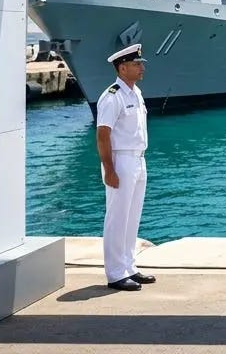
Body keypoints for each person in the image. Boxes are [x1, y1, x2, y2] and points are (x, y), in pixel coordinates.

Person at [96, 43, 153, 292]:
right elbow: (102, 135)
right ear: (122, 68)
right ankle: (115, 273)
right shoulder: (112, 96)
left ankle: (129, 266)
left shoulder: (135, 93)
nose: (141, 68)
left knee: (132, 216)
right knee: (117, 217)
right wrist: (109, 169)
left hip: (138, 159)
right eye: (137, 64)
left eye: (141, 64)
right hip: (121, 161)